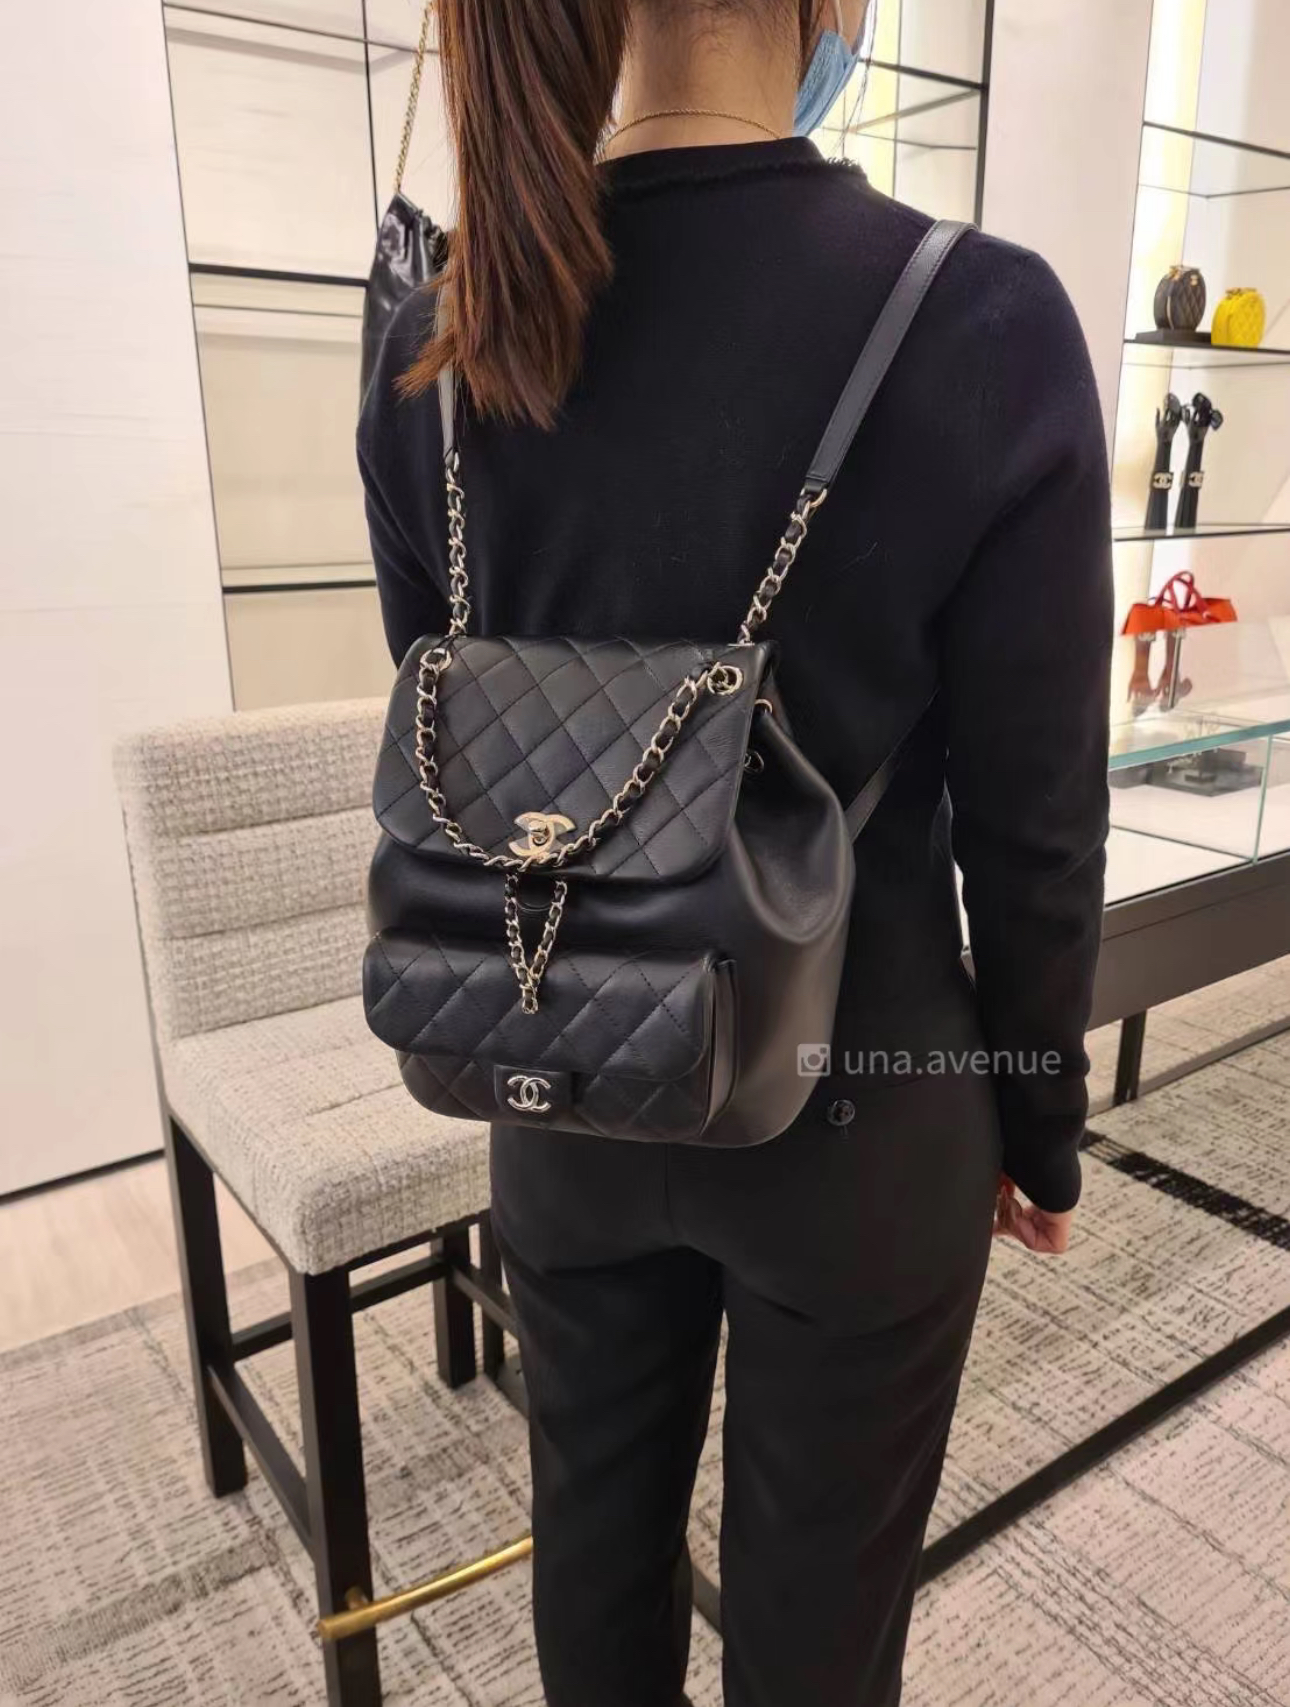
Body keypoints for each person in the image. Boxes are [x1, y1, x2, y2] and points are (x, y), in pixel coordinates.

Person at [357, 2, 1112, 1701]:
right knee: (817, 1640)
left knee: (591, 1575)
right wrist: (1038, 1121)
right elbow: (1036, 824)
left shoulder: (439, 343)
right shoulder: (977, 320)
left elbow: (457, 750)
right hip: (866, 1111)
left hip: (561, 1080)